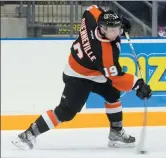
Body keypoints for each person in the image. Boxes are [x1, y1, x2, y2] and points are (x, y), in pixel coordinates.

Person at [12, 5, 152, 150]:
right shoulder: (104, 52)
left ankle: (116, 132)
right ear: (102, 29)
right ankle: (28, 134)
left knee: (113, 94)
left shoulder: (92, 17)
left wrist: (119, 22)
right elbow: (116, 78)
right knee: (66, 111)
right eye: (113, 30)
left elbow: (92, 8)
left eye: (117, 29)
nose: (117, 33)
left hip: (96, 72)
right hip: (78, 76)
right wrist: (138, 84)